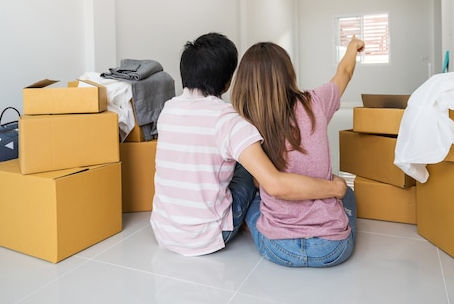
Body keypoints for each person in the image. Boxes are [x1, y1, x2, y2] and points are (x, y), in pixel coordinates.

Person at [150, 32, 348, 257]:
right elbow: (274, 184)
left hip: (163, 231)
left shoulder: (167, 109)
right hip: (206, 237)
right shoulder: (229, 121)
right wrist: (335, 187)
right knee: (248, 167)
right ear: (226, 83)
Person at [231, 35, 365, 268]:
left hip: (278, 247)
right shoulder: (317, 101)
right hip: (332, 248)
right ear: (288, 73)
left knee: (256, 197)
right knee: (348, 193)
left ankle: (258, 224)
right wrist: (353, 46)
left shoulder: (245, 124)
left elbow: (258, 183)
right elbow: (345, 72)